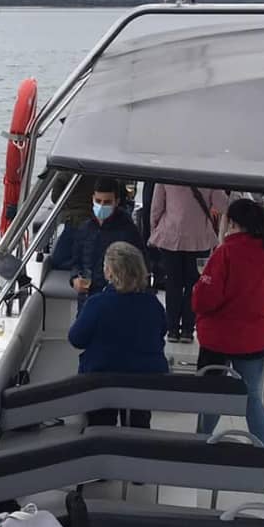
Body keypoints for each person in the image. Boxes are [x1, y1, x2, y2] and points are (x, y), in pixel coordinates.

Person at [193, 198, 264, 449]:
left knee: (213, 396)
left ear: (232, 223)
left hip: (218, 339)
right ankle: (263, 453)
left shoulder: (224, 253)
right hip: (256, 339)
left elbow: (204, 301)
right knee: (252, 397)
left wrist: (197, 289)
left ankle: (200, 447)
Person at [68, 241, 168, 428]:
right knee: (139, 426)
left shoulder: (97, 304)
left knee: (101, 424)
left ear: (109, 272)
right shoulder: (152, 304)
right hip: (146, 380)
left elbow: (76, 339)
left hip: (103, 380)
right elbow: (162, 331)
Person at [150, 184, 228, 342]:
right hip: (199, 238)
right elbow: (223, 204)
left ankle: (172, 329)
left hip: (171, 235)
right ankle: (187, 329)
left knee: (173, 284)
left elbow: (157, 206)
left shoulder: (167, 175)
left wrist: (154, 228)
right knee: (194, 285)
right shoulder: (209, 176)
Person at [70, 178, 145, 310]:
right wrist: (74, 279)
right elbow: (76, 262)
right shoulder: (85, 228)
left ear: (117, 202)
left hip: (117, 303)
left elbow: (141, 268)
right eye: (98, 201)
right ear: (92, 198)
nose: (102, 205)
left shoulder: (128, 231)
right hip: (86, 301)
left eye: (107, 202)